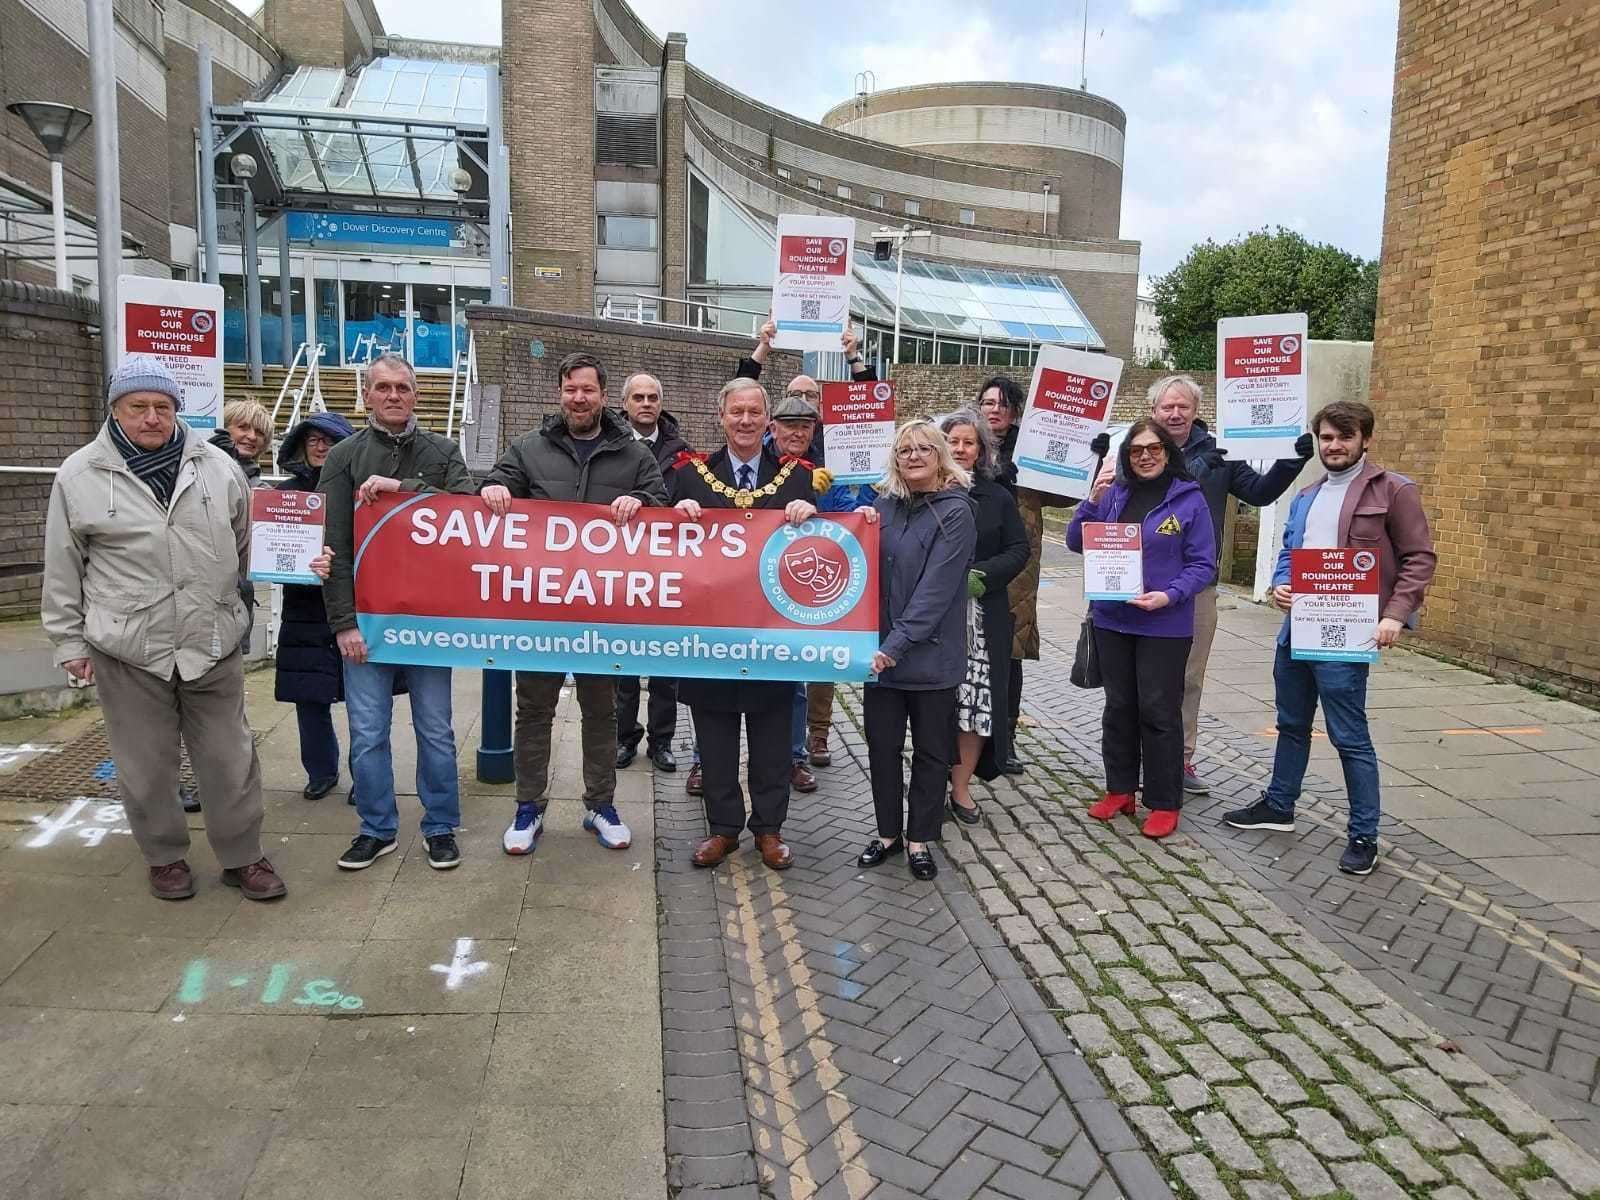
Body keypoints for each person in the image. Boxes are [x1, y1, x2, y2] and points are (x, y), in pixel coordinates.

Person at [41, 356, 286, 901]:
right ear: (116, 410)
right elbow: (63, 564)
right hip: (128, 646)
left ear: (178, 409)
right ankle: (164, 856)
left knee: (230, 758)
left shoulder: (217, 468)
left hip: (211, 638)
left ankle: (243, 855)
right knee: (146, 766)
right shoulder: (80, 475)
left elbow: (249, 546)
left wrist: (286, 570)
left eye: (163, 406)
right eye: (139, 407)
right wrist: (68, 640)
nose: (153, 417)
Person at [1224, 401, 1436, 876]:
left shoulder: (1395, 491)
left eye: (1344, 437)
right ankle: (1279, 805)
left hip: (1349, 634)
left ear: (1365, 440)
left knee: (1349, 736)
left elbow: (1419, 558)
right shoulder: (1307, 495)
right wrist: (1281, 584)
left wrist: (1396, 616)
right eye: (1326, 438)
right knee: (1291, 723)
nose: (1333, 446)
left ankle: (1364, 833)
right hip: (1297, 630)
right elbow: (1290, 551)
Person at [481, 352, 669, 856]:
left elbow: (663, 507)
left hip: (602, 611)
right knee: (533, 710)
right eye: (570, 389)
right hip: (541, 609)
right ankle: (528, 808)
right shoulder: (529, 448)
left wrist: (644, 504)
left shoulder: (633, 454)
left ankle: (600, 805)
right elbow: (495, 483)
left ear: (603, 396)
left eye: (587, 390)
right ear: (560, 393)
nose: (578, 398)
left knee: (601, 712)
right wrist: (496, 487)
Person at [1095, 375, 1312, 796]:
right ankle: (1132, 765)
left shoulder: (1221, 450)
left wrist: (1291, 461)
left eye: (1183, 407)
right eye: (1166, 408)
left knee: (1186, 677)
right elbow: (1103, 505)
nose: (1175, 414)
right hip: (1127, 584)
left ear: (1195, 410)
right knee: (1129, 686)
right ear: (1153, 411)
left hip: (1192, 585)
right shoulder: (1133, 450)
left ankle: (1180, 758)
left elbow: (1260, 492)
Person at [319, 352, 473, 872]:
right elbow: (331, 544)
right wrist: (342, 623)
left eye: (402, 388)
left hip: (429, 622)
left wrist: (403, 491)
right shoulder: (342, 457)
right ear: (366, 395)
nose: (392, 396)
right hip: (367, 623)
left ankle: (440, 825)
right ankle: (376, 827)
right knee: (367, 733)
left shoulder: (443, 450)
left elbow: (467, 516)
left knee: (436, 729)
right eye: (381, 387)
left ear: (417, 395)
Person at [674, 378, 818, 871]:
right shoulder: (691, 476)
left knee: (772, 742)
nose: (746, 421)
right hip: (709, 636)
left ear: (768, 421)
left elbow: (827, 543)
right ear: (721, 416)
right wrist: (674, 515)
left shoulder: (798, 477)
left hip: (771, 634)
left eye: (755, 412)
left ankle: (770, 830)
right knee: (714, 743)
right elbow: (659, 544)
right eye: (737, 411)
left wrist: (812, 515)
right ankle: (722, 830)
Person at [1067, 420, 1216, 839]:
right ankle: (1120, 789)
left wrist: (1170, 595)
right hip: (1113, 619)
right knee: (1119, 707)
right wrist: (1091, 500)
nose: (1146, 456)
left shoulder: (1189, 500)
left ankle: (1164, 800)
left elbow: (1204, 563)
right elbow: (1078, 541)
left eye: (1154, 449)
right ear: (1126, 456)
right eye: (1137, 450)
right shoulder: (1115, 493)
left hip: (1164, 623)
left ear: (1168, 453)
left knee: (1158, 710)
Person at [856, 420, 977, 881]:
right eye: (905, 450)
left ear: (941, 455)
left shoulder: (956, 512)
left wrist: (895, 645)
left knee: (930, 752)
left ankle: (919, 837)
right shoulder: (882, 506)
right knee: (882, 748)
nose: (914, 456)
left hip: (928, 657)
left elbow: (936, 591)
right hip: (881, 657)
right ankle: (887, 832)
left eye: (924, 448)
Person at [938, 410, 1029, 822]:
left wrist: (985, 575)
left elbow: (1018, 549)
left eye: (968, 442)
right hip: (935, 615)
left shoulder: (998, 496)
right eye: (953, 441)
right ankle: (930, 784)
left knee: (973, 706)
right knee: (936, 706)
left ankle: (960, 789)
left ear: (981, 449)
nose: (960, 449)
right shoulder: (925, 490)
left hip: (981, 616)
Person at [980, 375, 1070, 776]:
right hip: (975, 556)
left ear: (1016, 411)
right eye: (987, 402)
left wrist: (1085, 456)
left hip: (1018, 564)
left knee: (1009, 652)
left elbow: (1065, 493)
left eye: (1002, 403)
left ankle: (1006, 736)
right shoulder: (965, 442)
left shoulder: (1033, 453)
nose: (994, 409)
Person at [273, 411, 357, 801]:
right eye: (313, 440)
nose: (322, 447)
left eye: (331, 440)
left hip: (354, 606)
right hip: (304, 609)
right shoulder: (284, 497)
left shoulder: (361, 493)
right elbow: (271, 559)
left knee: (363, 702)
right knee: (310, 698)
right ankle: (320, 771)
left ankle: (367, 775)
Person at [614, 372, 691, 774]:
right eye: (638, 397)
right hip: (621, 569)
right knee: (622, 664)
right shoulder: (609, 445)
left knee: (665, 665)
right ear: (624, 403)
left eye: (653, 397)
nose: (646, 403)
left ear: (661, 403)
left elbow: (694, 494)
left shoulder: (681, 451)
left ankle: (662, 741)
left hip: (666, 569)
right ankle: (624, 737)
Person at [764, 390, 835, 795]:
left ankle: (794, 758)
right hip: (748, 581)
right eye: (789, 425)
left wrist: (819, 501)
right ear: (774, 427)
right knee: (720, 679)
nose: (797, 433)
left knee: (792, 681)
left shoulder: (822, 467)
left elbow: (842, 519)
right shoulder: (759, 461)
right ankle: (707, 761)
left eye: (805, 427)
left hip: (796, 583)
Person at [209, 399, 272, 487]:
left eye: (260, 432)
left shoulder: (262, 489)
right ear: (224, 428)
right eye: (243, 428)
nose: (252, 436)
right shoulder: (198, 469)